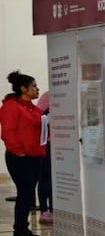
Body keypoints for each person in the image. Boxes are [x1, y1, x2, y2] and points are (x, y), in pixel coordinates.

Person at [1, 71, 46, 236]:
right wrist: (18, 152)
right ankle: (19, 233)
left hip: (35, 156)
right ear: (23, 88)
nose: (37, 89)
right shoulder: (11, 106)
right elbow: (7, 132)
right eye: (33, 86)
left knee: (27, 194)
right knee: (25, 194)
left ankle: (24, 230)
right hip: (19, 157)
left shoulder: (33, 108)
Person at [35, 89, 52, 225]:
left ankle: (53, 209)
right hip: (47, 143)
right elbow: (38, 117)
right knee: (45, 177)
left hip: (63, 144)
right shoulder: (47, 97)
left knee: (55, 179)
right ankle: (44, 209)